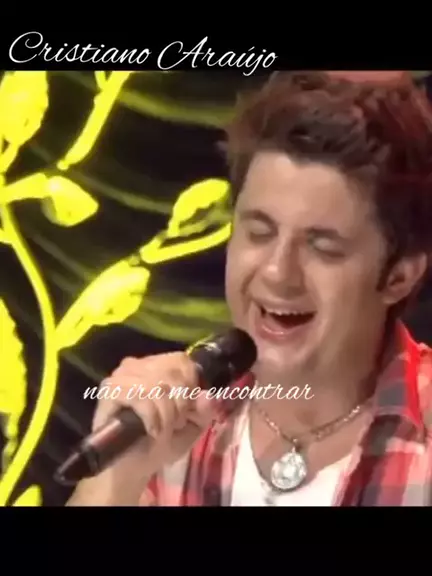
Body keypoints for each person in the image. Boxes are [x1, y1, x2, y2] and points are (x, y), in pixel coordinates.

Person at [67, 71, 432, 506]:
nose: (277, 273)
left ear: (399, 276)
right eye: (259, 233)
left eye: (323, 248)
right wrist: (119, 477)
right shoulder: (175, 412)